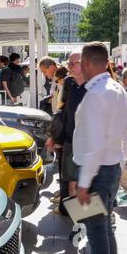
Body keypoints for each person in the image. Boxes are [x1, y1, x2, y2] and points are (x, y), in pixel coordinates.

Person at [73, 42, 127, 254]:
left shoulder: (97, 94)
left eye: (79, 63)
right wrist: (121, 162)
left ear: (86, 63)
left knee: (97, 233)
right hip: (110, 168)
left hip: (96, 173)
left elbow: (94, 145)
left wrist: (84, 183)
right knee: (105, 229)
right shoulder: (118, 89)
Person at [47, 51, 86, 216]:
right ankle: (76, 216)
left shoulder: (95, 85)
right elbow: (62, 109)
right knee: (70, 181)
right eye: (69, 63)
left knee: (85, 184)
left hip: (89, 144)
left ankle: (90, 219)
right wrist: (54, 136)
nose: (68, 66)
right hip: (70, 141)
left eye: (72, 63)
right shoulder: (68, 82)